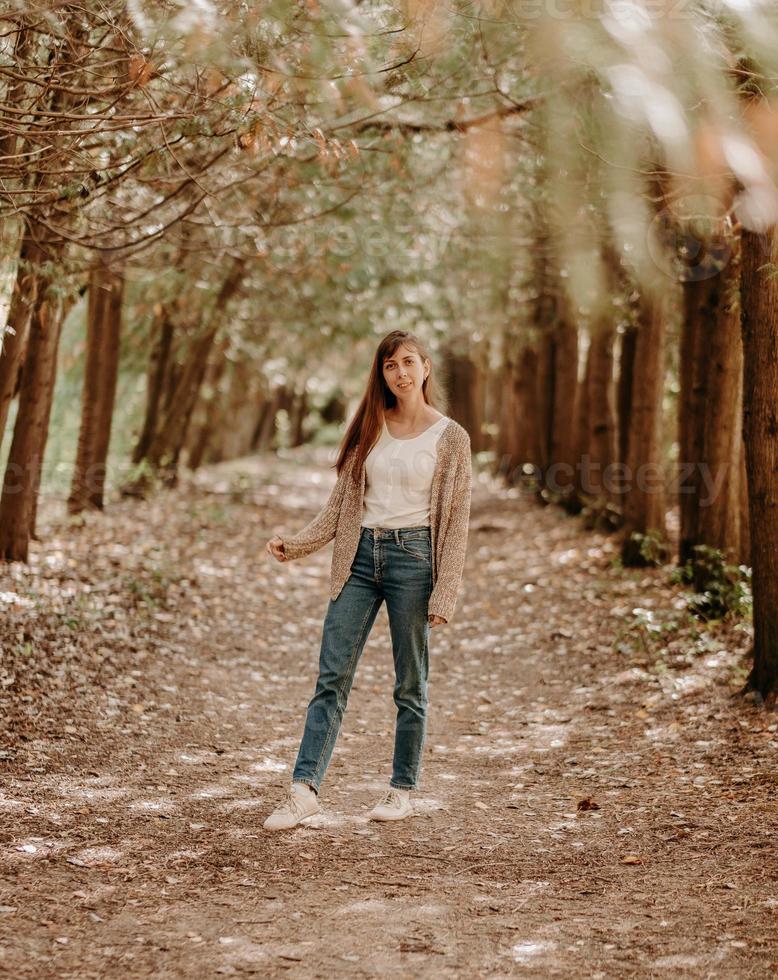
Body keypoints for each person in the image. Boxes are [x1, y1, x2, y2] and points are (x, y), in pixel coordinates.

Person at [263, 330, 472, 830]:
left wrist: (445, 591)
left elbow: (456, 519)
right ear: (381, 374)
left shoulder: (451, 438)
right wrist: (298, 544)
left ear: (425, 367)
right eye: (389, 365)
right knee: (331, 675)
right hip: (358, 558)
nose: (400, 373)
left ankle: (402, 789)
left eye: (408, 363)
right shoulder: (370, 427)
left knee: (409, 683)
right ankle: (304, 790)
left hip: (413, 560)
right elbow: (341, 505)